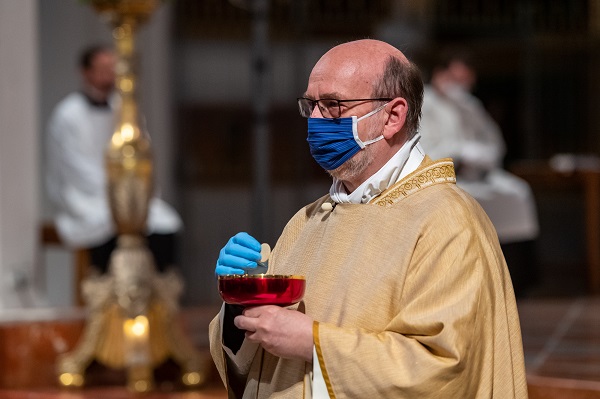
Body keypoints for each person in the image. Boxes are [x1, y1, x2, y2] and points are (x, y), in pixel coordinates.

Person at [209, 39, 528, 398]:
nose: (315, 120)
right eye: (310, 105)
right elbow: (259, 363)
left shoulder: (447, 222)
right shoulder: (308, 219)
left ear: (393, 116)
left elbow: (444, 370)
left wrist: (313, 342)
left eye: (332, 105)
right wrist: (242, 303)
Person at [45, 44, 182, 274]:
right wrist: (116, 191)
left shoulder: (124, 109)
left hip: (126, 192)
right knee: (108, 225)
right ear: (85, 72)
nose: (110, 74)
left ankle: (157, 293)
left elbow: (141, 151)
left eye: (113, 68)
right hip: (87, 198)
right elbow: (74, 168)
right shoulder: (68, 114)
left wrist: (135, 190)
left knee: (166, 222)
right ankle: (105, 292)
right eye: (103, 68)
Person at [419, 48, 539, 296]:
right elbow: (422, 147)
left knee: (517, 193)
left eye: (465, 81)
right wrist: (459, 152)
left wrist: (484, 154)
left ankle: (514, 275)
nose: (460, 86)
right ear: (440, 75)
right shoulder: (424, 103)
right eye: (455, 80)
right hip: (445, 175)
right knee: (462, 201)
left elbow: (495, 143)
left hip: (478, 175)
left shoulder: (471, 105)